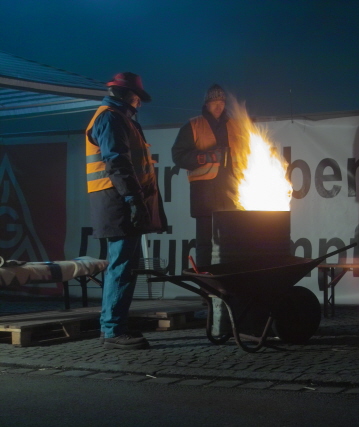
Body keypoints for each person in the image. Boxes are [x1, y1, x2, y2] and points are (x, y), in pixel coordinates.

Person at [85, 72, 168, 349]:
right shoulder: (110, 117)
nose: (140, 104)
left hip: (120, 201)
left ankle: (112, 326)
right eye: (138, 98)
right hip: (118, 202)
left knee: (124, 266)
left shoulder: (119, 118)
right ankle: (113, 330)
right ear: (128, 95)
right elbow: (117, 161)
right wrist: (134, 200)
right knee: (121, 266)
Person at [171, 84, 242, 267]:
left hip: (231, 192)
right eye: (214, 102)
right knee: (204, 243)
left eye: (221, 102)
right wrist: (205, 156)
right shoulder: (193, 125)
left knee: (231, 242)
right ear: (206, 104)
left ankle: (227, 284)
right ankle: (205, 287)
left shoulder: (236, 126)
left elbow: (246, 153)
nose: (219, 106)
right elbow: (178, 156)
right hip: (204, 193)